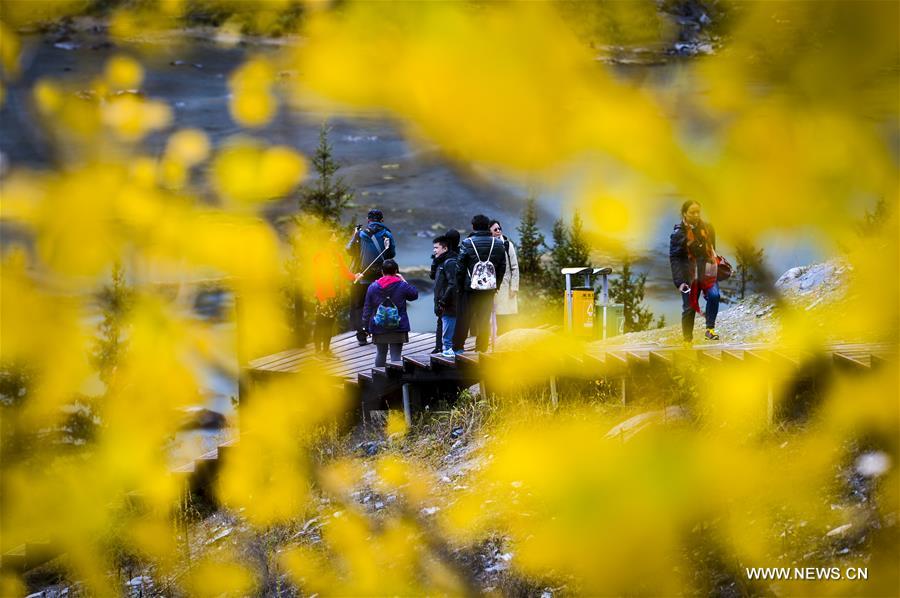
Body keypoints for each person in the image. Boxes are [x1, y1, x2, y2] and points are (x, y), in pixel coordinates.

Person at [453, 214, 507, 353]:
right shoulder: (498, 244)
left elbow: (460, 268)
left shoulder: (467, 243)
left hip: (469, 289)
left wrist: (459, 288)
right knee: (484, 319)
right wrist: (496, 286)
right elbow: (502, 267)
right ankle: (481, 349)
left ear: (473, 226)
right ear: (488, 226)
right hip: (488, 288)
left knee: (464, 319)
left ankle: (458, 348)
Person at [669, 200, 721, 345]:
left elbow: (712, 249)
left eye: (698, 211)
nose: (696, 215)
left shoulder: (708, 228)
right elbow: (675, 258)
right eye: (693, 212)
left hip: (707, 272)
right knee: (689, 307)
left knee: (714, 296)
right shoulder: (679, 233)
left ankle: (709, 330)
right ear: (685, 213)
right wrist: (679, 281)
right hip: (688, 276)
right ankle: (687, 340)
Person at [346, 209, 396, 346]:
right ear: (382, 220)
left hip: (362, 276)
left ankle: (361, 335)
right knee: (379, 304)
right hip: (381, 277)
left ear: (368, 220)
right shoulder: (387, 234)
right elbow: (392, 253)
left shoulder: (361, 234)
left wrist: (354, 235)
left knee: (359, 305)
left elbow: (349, 250)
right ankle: (377, 333)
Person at [361, 259, 419, 367]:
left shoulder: (373, 287)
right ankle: (395, 382)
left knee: (380, 353)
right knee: (396, 356)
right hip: (398, 325)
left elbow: (367, 308)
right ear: (396, 271)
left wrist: (366, 326)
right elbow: (414, 295)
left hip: (379, 326)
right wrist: (403, 280)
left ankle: (379, 379)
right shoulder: (402, 285)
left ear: (382, 271)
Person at [312, 233, 356, 357]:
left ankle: (326, 350)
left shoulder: (337, 255)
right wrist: (321, 297)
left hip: (335, 295)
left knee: (330, 322)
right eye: (333, 236)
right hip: (324, 295)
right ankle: (317, 351)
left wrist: (355, 276)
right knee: (320, 322)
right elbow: (317, 278)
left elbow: (344, 272)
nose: (336, 238)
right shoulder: (319, 256)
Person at [430, 229, 461, 353]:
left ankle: (441, 348)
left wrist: (442, 301)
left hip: (446, 299)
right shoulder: (458, 254)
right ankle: (443, 347)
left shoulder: (447, 260)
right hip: (449, 299)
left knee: (443, 321)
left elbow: (435, 277)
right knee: (446, 322)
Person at [489, 219, 519, 335]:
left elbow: (515, 267)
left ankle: (505, 343)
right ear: (489, 232)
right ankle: (496, 343)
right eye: (495, 229)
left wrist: (514, 287)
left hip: (506, 286)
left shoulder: (507, 244)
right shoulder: (489, 245)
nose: (498, 231)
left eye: (499, 228)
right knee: (493, 318)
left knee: (506, 318)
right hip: (492, 287)